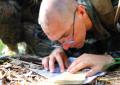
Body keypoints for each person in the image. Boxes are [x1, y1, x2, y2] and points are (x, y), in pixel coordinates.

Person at [38, 0, 120, 77]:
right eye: (58, 40)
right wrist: (60, 50)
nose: (66, 47)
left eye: (65, 35)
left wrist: (111, 59)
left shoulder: (115, 9)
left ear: (81, 12)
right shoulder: (72, 21)